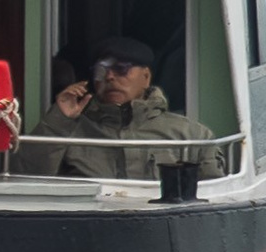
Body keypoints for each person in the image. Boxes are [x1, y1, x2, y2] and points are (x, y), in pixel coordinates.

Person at [13, 35, 226, 180]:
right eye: (101, 70)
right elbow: (27, 178)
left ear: (146, 77)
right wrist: (59, 120)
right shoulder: (69, 130)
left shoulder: (191, 135)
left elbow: (213, 196)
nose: (110, 77)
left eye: (121, 69)